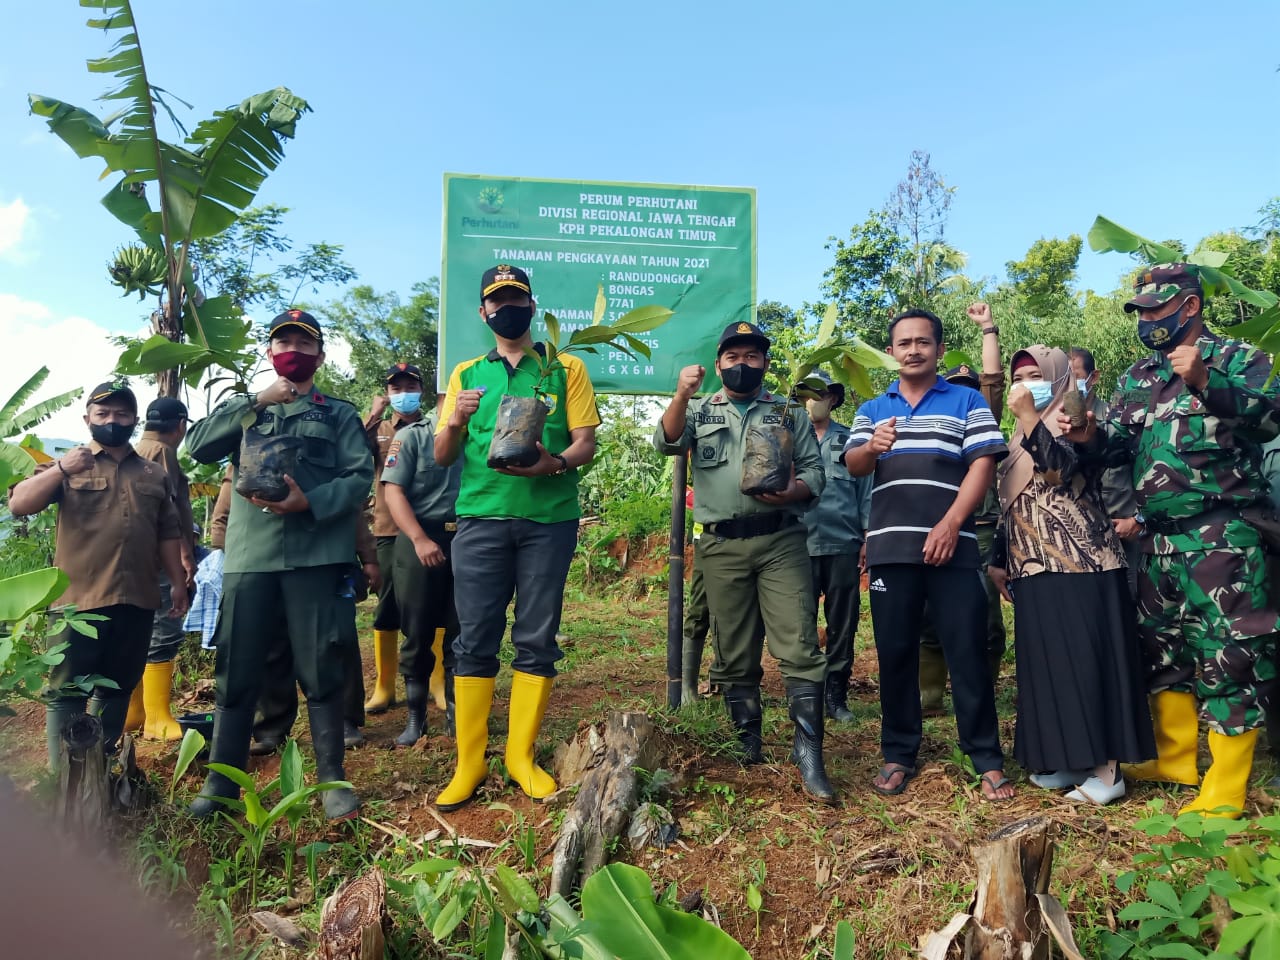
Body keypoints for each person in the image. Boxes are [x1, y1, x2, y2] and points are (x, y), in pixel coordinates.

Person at [1061, 264, 1280, 819]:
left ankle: (1226, 788)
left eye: (1158, 310)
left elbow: (1268, 420)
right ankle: (1174, 758)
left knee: (1230, 655)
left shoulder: (1237, 358)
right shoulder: (1139, 375)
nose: (1148, 321)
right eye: (1141, 313)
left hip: (1222, 535)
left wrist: (1208, 381)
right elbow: (1116, 447)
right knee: (1165, 653)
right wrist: (1087, 434)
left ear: (1189, 307)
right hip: (1158, 540)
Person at [185, 309, 373, 821]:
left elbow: (359, 478)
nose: (293, 349)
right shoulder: (245, 410)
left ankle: (332, 780)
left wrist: (308, 503)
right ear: (270, 353)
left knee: (322, 665)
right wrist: (255, 400)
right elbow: (196, 446)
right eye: (283, 341)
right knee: (237, 667)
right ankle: (221, 781)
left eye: (304, 343)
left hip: (316, 557)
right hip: (251, 558)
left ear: (319, 354)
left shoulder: (337, 414)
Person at [433, 265, 600, 811]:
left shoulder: (564, 368)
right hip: (480, 518)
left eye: (517, 299)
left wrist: (551, 465)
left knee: (536, 636)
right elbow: (441, 456)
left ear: (532, 306)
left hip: (548, 520)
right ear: (483, 313)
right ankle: (469, 763)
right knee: (474, 639)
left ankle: (519, 756)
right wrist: (455, 420)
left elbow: (584, 445)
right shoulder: (464, 374)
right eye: (497, 301)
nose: (508, 308)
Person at [656, 320, 837, 804]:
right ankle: (747, 740)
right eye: (733, 357)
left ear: (765, 363)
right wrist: (680, 394)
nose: (742, 364)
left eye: (752, 356)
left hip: (781, 541)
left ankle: (808, 753)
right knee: (733, 652)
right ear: (719, 364)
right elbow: (668, 442)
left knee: (798, 644)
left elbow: (816, 475)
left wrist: (790, 491)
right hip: (720, 545)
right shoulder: (698, 410)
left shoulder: (787, 413)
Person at [844, 308, 1014, 801]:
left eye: (923, 342)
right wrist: (873, 448)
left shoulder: (966, 401)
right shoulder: (873, 409)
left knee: (968, 652)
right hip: (890, 550)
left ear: (940, 350)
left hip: (953, 548)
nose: (913, 349)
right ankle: (898, 754)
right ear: (892, 352)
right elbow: (855, 466)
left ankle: (985, 757)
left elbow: (982, 464)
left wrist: (950, 523)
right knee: (896, 654)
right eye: (904, 343)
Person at [988, 345, 1155, 804]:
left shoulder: (1076, 423)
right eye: (1020, 375)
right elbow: (1011, 502)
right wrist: (1001, 558)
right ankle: (1069, 758)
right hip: (1032, 566)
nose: (1025, 383)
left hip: (1083, 563)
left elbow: (1059, 471)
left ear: (1059, 379)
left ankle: (1107, 772)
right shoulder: (1020, 432)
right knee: (1050, 667)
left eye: (1036, 374)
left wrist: (1026, 419)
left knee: (1087, 662)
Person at [8, 381, 188, 768]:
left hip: (137, 600)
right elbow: (20, 504)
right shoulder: (70, 464)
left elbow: (168, 533)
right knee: (67, 690)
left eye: (121, 414)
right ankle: (63, 779)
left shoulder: (153, 473)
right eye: (103, 413)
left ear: (134, 420)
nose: (112, 421)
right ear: (87, 418)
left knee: (118, 685)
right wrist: (60, 468)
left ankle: (100, 770)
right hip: (77, 603)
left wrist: (177, 582)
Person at [919, 303, 1008, 714]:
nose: (965, 393)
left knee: (986, 620)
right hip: (930, 524)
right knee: (929, 617)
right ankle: (930, 696)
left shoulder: (979, 414)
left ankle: (981, 692)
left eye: (970, 388)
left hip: (982, 527)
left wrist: (988, 328)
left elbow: (992, 381)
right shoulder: (928, 416)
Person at [363, 363, 446, 715]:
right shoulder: (379, 429)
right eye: (396, 388)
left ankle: (438, 682)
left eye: (409, 385)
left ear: (421, 390)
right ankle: (385, 685)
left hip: (430, 528)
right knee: (388, 605)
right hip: (387, 528)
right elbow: (348, 451)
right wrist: (372, 414)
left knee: (436, 604)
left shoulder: (438, 429)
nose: (403, 392)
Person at [382, 394, 462, 746]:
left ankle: (458, 717)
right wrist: (418, 538)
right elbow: (393, 492)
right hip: (420, 539)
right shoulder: (412, 436)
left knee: (465, 633)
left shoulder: (481, 432)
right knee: (417, 631)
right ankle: (416, 719)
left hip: (469, 539)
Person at [800, 370, 872, 722]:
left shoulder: (850, 441)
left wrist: (867, 535)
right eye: (809, 393)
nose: (815, 400)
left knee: (843, 624)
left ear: (833, 399)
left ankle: (836, 696)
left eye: (822, 393)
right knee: (801, 623)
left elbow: (866, 492)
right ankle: (806, 695)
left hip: (843, 543)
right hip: (797, 546)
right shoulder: (790, 439)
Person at [125, 396, 197, 741]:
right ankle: (157, 717)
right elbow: (168, 511)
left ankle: (135, 711)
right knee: (163, 628)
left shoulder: (140, 448)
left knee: (140, 631)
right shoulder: (162, 452)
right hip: (160, 557)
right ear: (180, 425)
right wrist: (185, 557)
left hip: (139, 557)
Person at [1070, 347, 1143, 596]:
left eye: (1076, 375)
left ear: (1094, 377)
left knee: (1128, 602)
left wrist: (1138, 520)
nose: (1071, 384)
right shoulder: (1055, 425)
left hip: (1122, 535)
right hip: (1077, 539)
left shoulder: (1119, 420)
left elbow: (1147, 472)